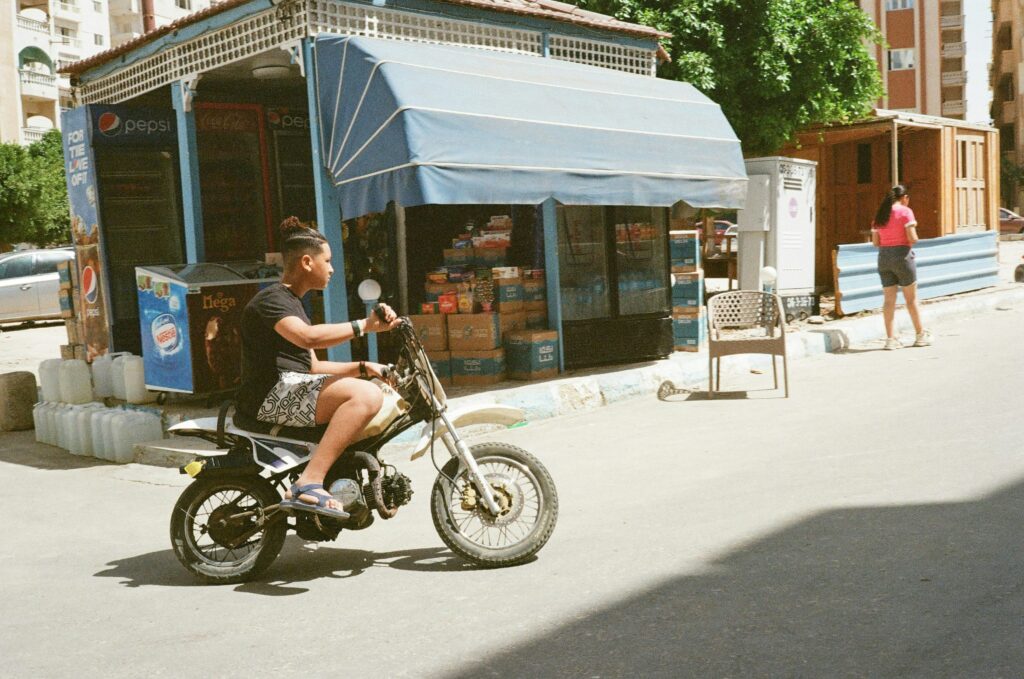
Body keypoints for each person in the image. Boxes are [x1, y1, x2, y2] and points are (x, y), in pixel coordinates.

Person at [237, 217, 401, 519]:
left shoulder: (294, 304)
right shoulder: (272, 300)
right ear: (306, 262)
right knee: (366, 396)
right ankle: (309, 481)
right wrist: (364, 326)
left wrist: (366, 367)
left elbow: (312, 366)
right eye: (327, 261)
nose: (332, 269)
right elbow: (308, 337)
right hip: (267, 396)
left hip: (289, 390)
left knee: (371, 389)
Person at [870, 185, 931, 350]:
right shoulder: (906, 212)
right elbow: (913, 238)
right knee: (911, 300)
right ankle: (920, 335)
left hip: (883, 258)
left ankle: (890, 339)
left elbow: (875, 242)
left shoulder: (880, 214)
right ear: (904, 197)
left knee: (889, 301)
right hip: (903, 256)